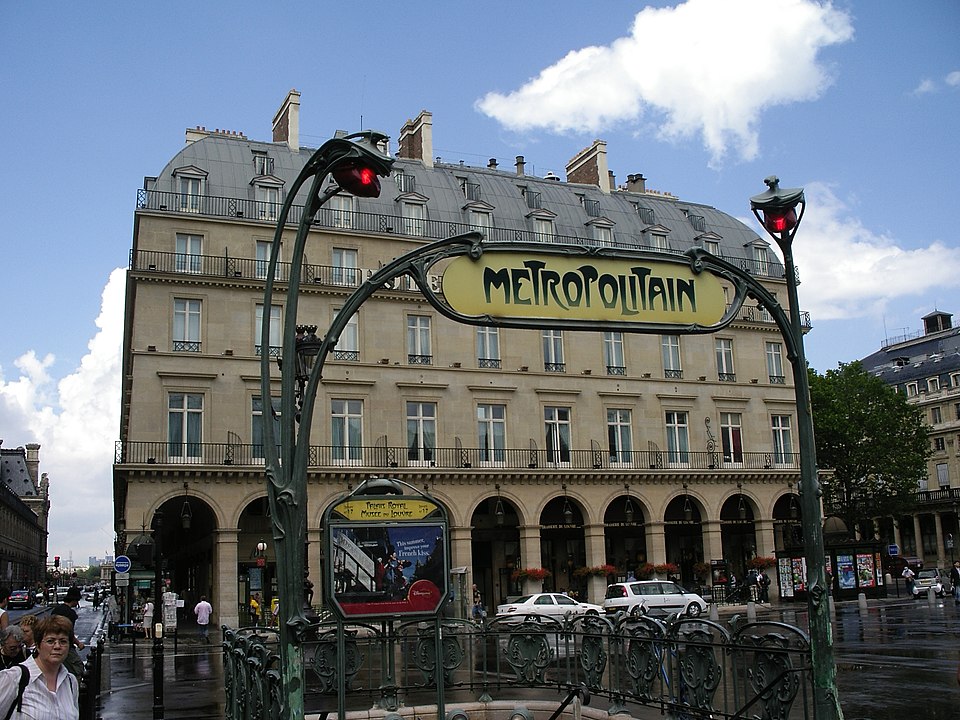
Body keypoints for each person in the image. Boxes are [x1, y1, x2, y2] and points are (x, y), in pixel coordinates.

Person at [0, 615, 80, 720]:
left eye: (63, 641)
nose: (57, 646)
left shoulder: (70, 681)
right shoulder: (14, 677)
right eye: (50, 641)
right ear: (37, 645)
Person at [50, 586, 85, 677]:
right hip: (66, 646)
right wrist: (78, 643)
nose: (77, 603)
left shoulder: (56, 610)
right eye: (77, 600)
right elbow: (69, 633)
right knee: (78, 668)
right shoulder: (70, 613)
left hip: (53, 644)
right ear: (74, 600)